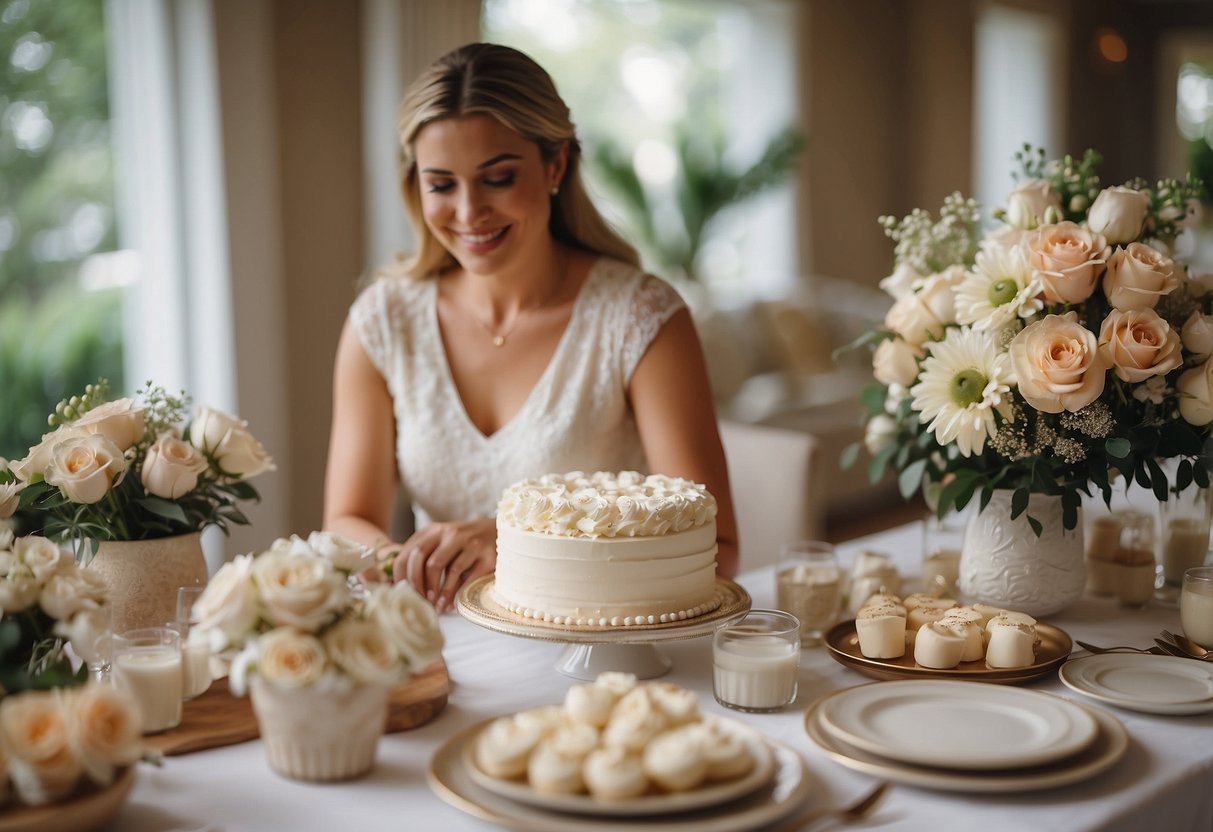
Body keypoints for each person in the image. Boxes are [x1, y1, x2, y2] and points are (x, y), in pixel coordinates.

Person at [322, 42, 738, 613]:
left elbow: (715, 548)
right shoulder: (382, 322)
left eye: (497, 178)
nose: (469, 213)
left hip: (606, 648)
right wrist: (406, 564)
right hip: (441, 643)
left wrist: (510, 545)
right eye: (441, 184)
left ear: (556, 166)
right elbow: (349, 520)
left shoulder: (640, 318)